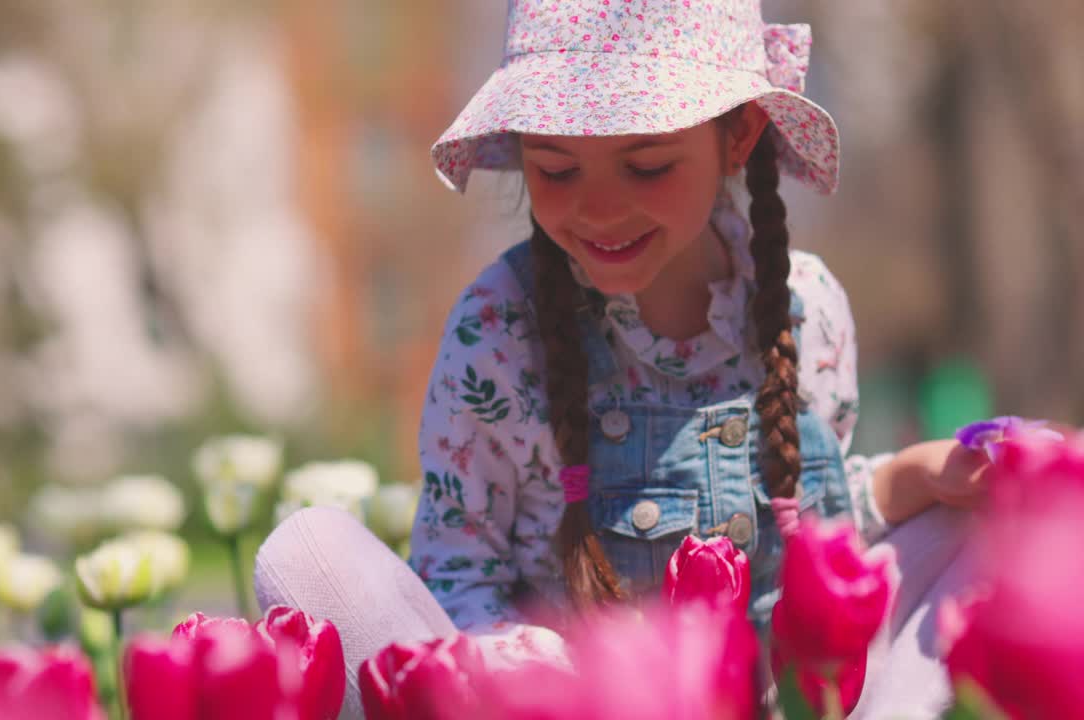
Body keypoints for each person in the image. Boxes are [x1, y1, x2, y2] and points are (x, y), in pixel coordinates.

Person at [256, 2, 987, 717]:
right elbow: (457, 571)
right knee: (308, 553)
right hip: (563, 704)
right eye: (558, 171)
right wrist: (548, 678)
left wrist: (913, 478)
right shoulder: (500, 329)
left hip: (776, 697)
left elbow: (812, 534)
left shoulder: (806, 308)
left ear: (739, 134)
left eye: (645, 167)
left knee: (993, 521)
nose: (599, 210)